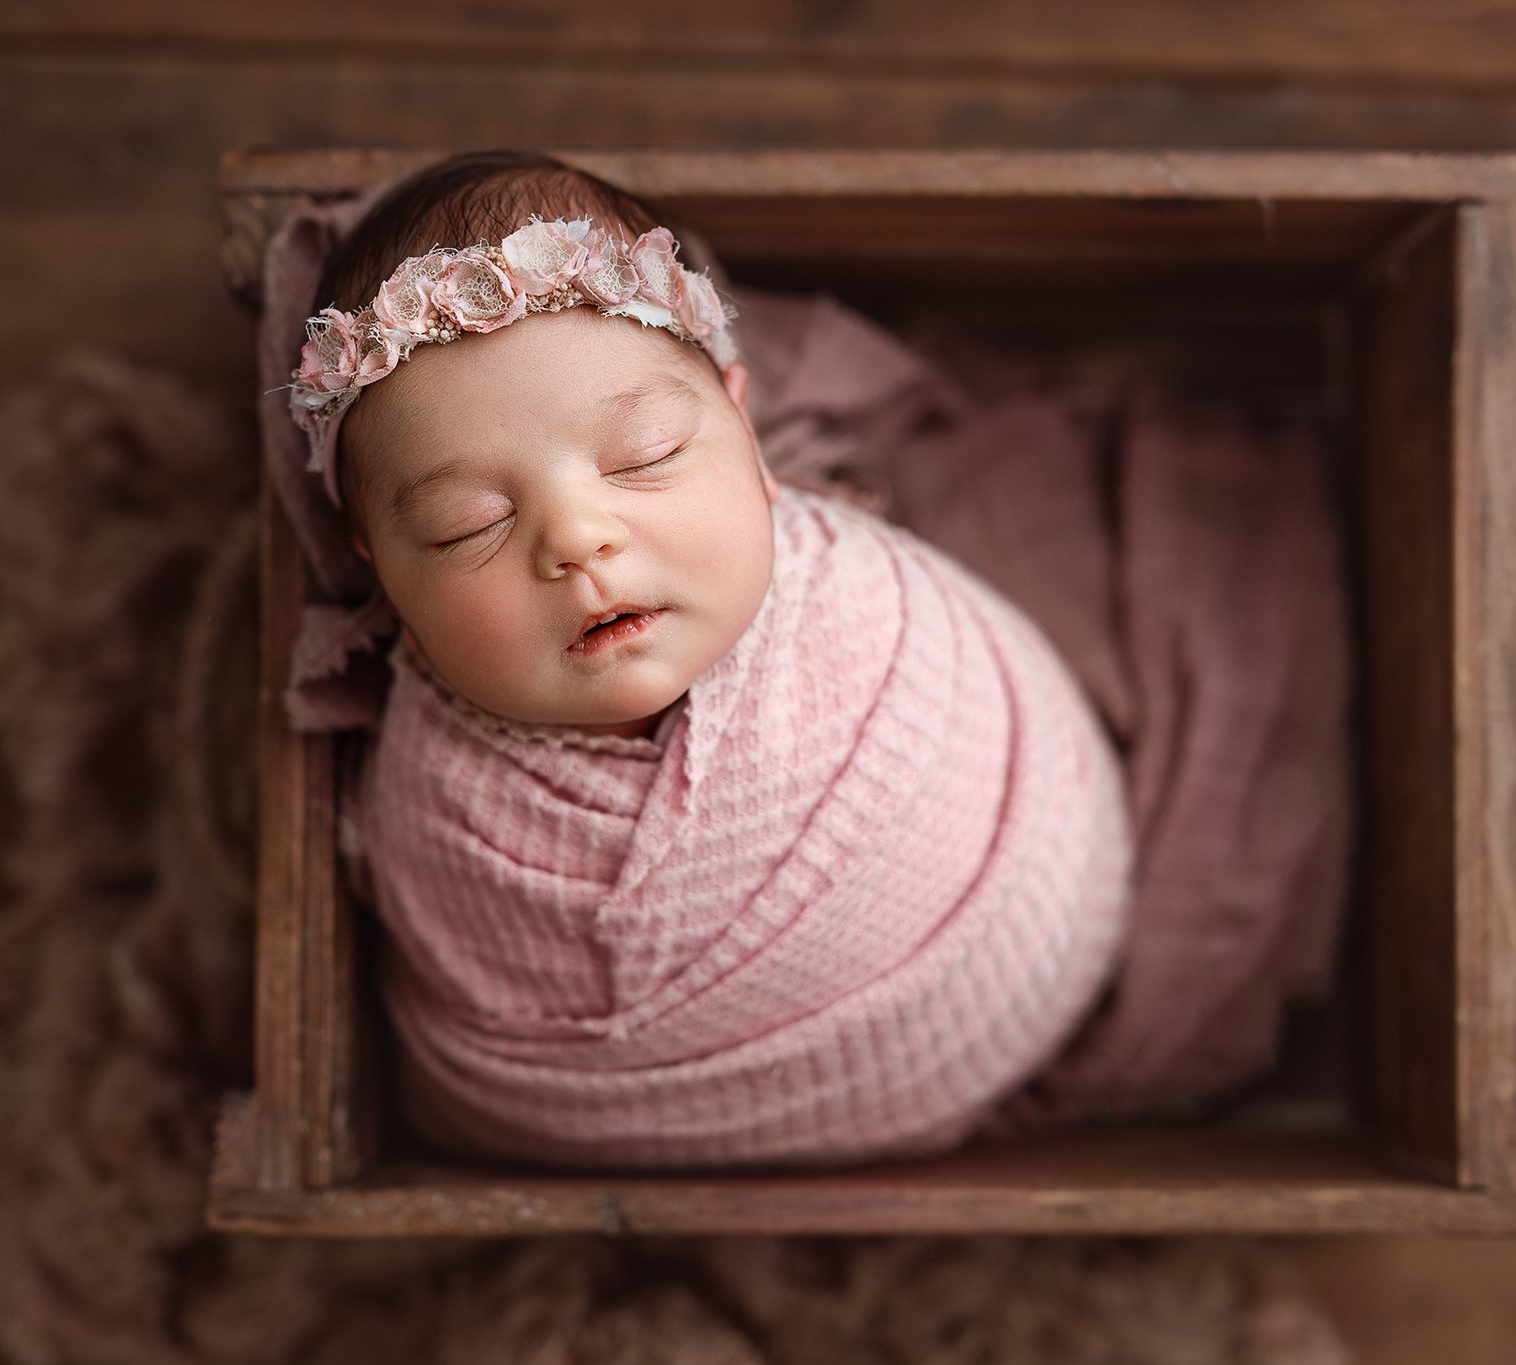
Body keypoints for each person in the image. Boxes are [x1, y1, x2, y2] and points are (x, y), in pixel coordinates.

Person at [276, 150, 1138, 1170]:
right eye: (469, 526)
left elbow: (1002, 723)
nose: (577, 540)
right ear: (382, 567)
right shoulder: (436, 807)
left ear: (744, 431)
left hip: (1013, 959)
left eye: (641, 459)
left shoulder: (870, 610)